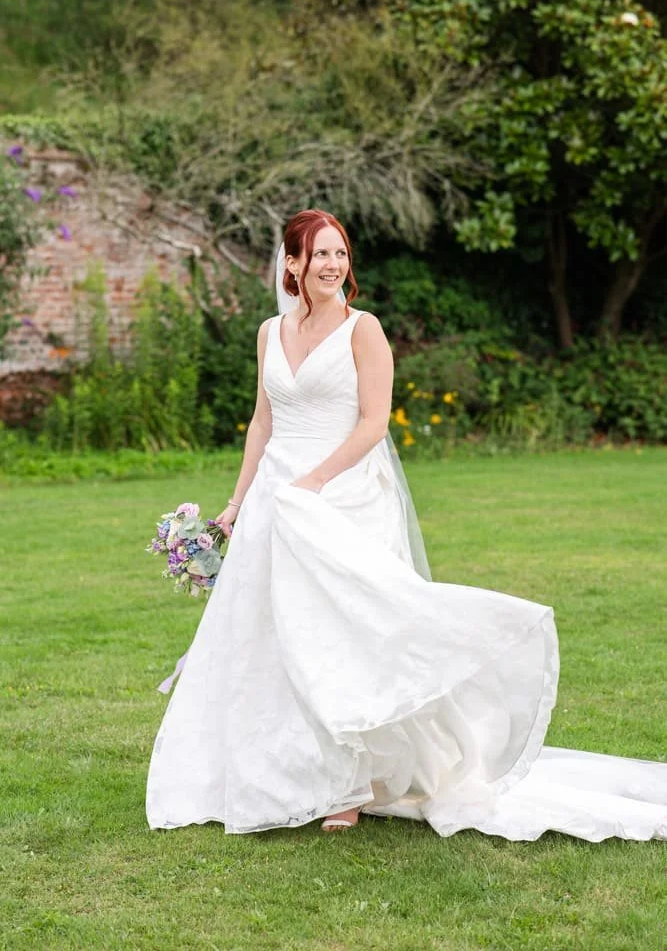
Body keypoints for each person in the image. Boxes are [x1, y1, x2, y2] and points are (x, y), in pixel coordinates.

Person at [146, 209, 667, 840]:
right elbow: (263, 422)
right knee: (272, 635)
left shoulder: (365, 331)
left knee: (344, 638)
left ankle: (350, 785)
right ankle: (278, 769)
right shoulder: (268, 332)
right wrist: (236, 502)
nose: (333, 265)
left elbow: (372, 424)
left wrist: (312, 484)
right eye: (318, 255)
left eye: (340, 254)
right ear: (292, 265)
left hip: (344, 496)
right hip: (275, 501)